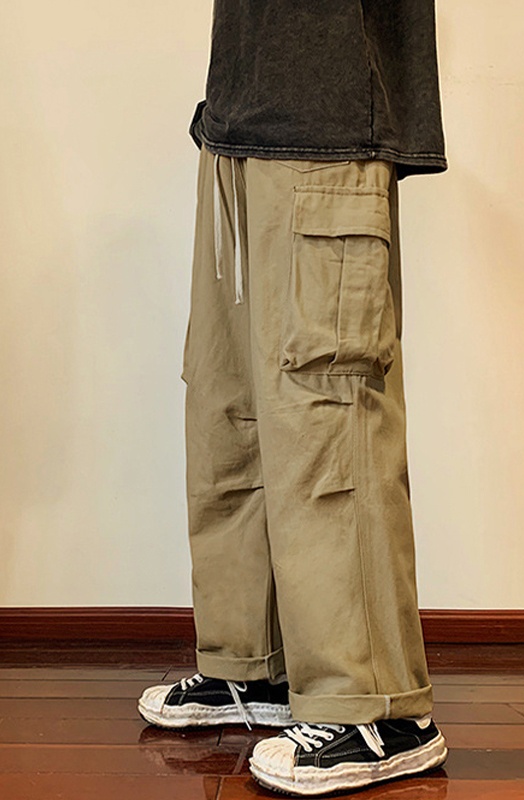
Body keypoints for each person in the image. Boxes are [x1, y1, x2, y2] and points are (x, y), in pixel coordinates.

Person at [138, 1, 449, 794]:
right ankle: (256, 664)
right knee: (229, 407)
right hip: (235, 123)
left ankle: (379, 710)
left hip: (327, 118)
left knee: (326, 415)